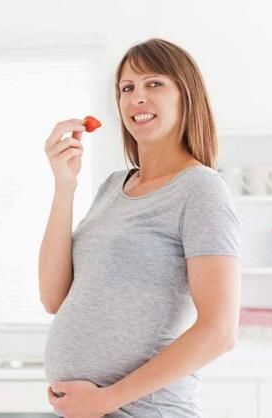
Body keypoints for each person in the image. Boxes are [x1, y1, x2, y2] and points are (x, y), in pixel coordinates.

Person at [38, 38, 241, 417]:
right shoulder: (113, 187)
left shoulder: (201, 189)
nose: (137, 98)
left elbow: (219, 331)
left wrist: (104, 399)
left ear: (187, 96)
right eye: (127, 88)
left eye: (154, 84)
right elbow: (53, 297)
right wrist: (64, 187)